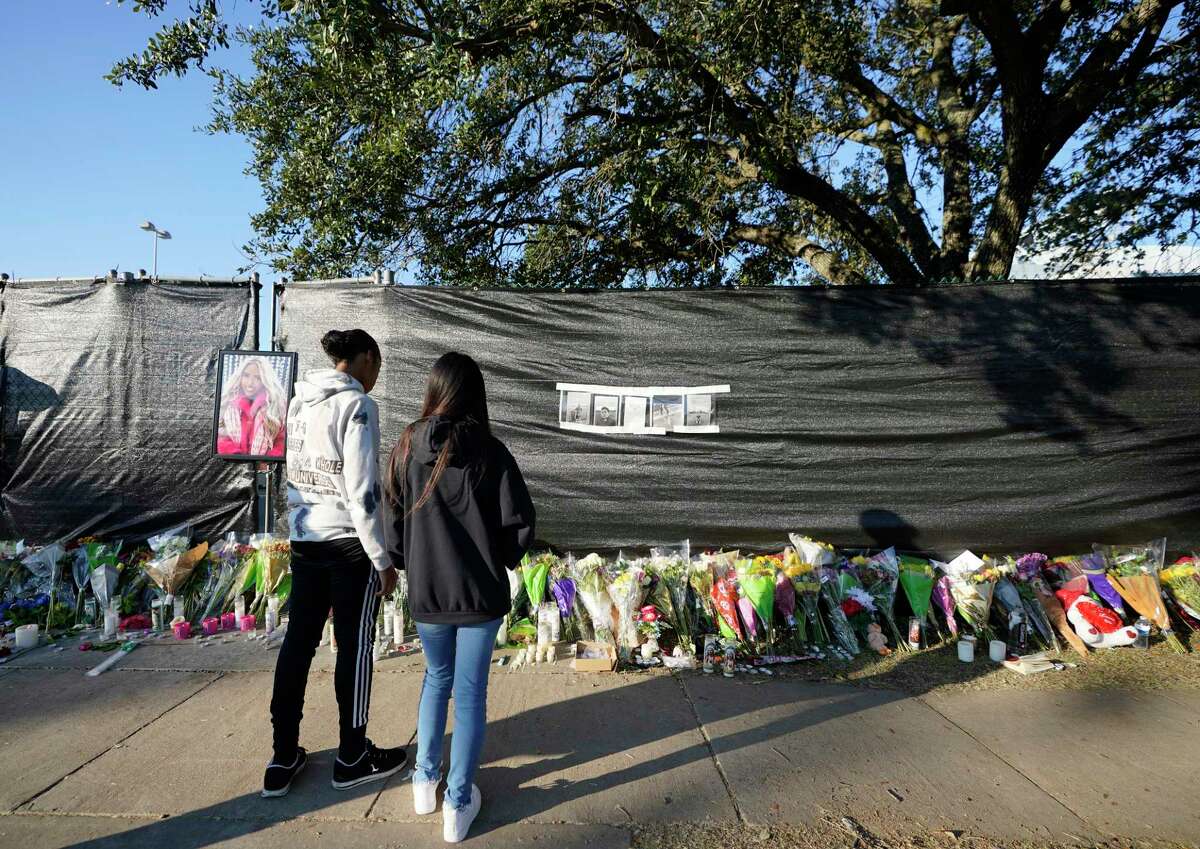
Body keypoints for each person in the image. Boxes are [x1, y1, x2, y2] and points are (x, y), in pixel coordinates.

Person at [387, 352, 535, 843]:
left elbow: (390, 518)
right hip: (478, 596)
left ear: (434, 390)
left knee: (436, 679)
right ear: (476, 394)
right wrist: (503, 561)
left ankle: (424, 782)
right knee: (469, 693)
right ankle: (457, 804)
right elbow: (519, 523)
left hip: (428, 593)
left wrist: (410, 562)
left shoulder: (407, 446)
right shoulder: (491, 451)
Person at [262, 329, 407, 798]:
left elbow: (295, 474)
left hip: (306, 539)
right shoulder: (358, 406)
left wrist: (300, 527)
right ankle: (352, 755)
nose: (377, 376)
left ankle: (283, 756)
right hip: (349, 545)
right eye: (377, 365)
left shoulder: (298, 402)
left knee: (298, 645)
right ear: (365, 359)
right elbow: (363, 492)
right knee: (355, 647)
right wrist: (381, 558)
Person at [216, 356, 288, 457]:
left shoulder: (277, 406)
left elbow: (282, 441)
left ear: (264, 380)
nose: (250, 383)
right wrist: (236, 457)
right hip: (232, 464)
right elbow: (220, 437)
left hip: (266, 466)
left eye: (257, 378)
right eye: (246, 376)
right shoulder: (227, 403)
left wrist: (265, 461)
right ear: (239, 377)